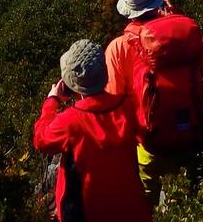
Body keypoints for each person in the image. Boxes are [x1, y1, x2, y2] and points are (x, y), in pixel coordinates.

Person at [105, 0, 203, 205]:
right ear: (159, 1)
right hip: (190, 133)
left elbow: (114, 99)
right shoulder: (185, 40)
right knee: (187, 201)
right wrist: (174, 21)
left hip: (149, 141)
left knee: (147, 200)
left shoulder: (118, 47)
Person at [32, 39, 151, 222]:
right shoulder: (127, 107)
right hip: (132, 208)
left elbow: (41, 140)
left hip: (87, 212)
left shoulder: (70, 121)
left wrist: (51, 101)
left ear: (71, 82)